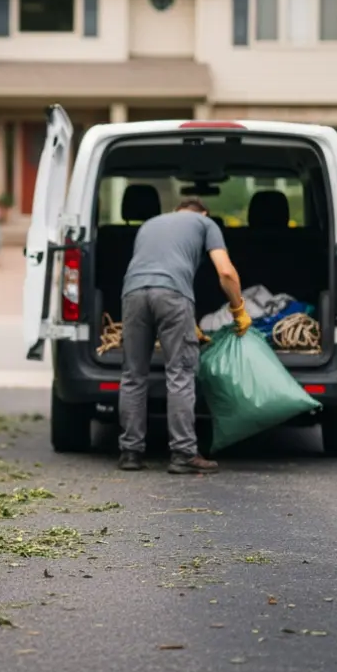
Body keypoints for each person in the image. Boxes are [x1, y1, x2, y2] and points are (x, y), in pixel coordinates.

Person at [117, 198, 249, 474]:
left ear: (176, 211)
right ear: (203, 212)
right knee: (179, 373)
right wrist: (238, 309)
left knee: (133, 375)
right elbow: (224, 271)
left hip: (133, 294)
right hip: (173, 295)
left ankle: (130, 452)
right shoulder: (205, 223)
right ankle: (183, 454)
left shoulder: (150, 224)